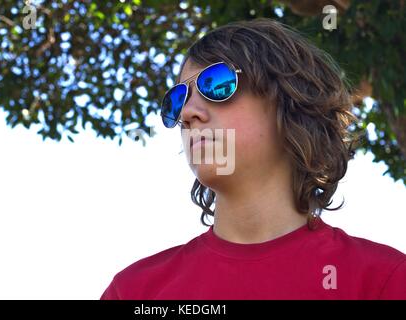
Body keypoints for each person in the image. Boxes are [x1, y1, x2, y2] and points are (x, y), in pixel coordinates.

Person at [100, 18, 405, 300]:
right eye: (178, 99)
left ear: (291, 103)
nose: (188, 113)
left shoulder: (382, 281)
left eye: (215, 83)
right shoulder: (134, 292)